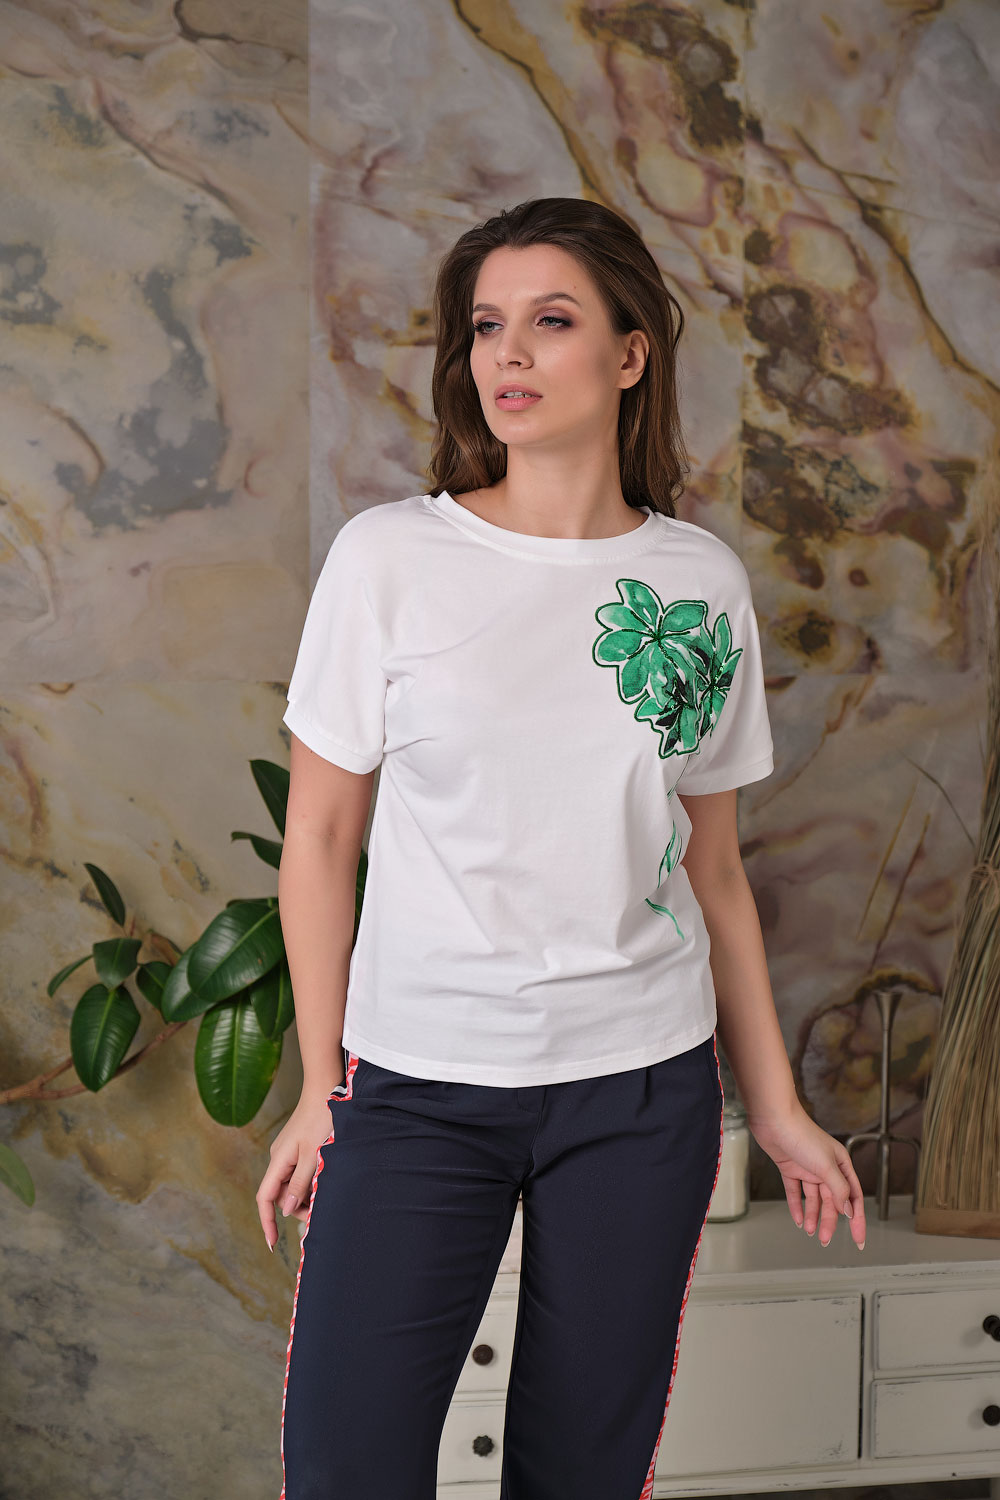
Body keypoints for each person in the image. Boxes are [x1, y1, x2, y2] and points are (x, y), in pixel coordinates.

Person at [259, 196, 867, 1500]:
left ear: (631, 353)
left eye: (551, 320)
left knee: (584, 1475)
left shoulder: (699, 586)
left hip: (640, 1094)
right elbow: (319, 837)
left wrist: (777, 1108)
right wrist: (318, 1085)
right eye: (487, 327)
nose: (510, 354)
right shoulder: (390, 559)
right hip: (419, 1090)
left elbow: (714, 871)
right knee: (347, 1469)